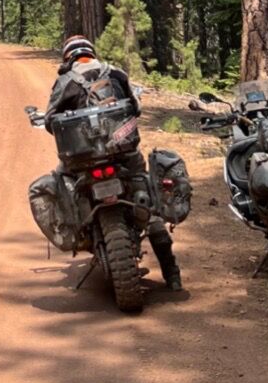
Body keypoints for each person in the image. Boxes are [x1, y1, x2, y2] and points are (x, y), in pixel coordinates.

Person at [44, 35, 182, 290]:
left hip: (81, 162)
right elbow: (135, 109)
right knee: (150, 205)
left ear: (68, 58)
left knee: (63, 183)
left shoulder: (65, 82)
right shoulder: (116, 73)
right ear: (91, 52)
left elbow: (50, 121)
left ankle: (77, 229)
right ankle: (172, 273)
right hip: (123, 155)